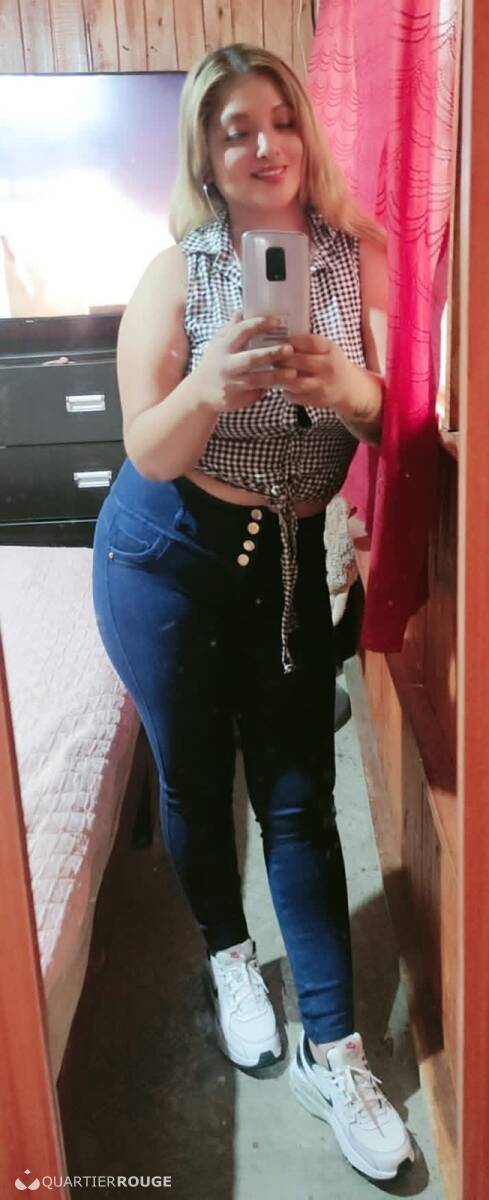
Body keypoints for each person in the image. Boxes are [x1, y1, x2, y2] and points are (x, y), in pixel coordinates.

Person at [92, 43, 414, 1183]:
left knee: (296, 798)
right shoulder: (174, 277)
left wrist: (350, 389)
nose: (265, 144)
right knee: (192, 778)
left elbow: (392, 416)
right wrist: (206, 386)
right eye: (237, 129)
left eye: (281, 119)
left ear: (304, 134)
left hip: (282, 565)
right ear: (207, 156)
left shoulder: (357, 259)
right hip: (165, 560)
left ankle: (336, 1050)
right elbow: (146, 446)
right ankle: (229, 955)